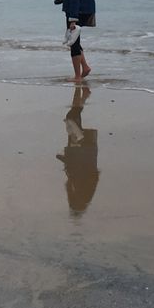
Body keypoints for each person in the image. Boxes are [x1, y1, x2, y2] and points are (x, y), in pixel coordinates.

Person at [55, 84, 99, 215]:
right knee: (71, 118)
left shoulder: (91, 181)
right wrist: (64, 159)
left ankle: (84, 95)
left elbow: (75, 166)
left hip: (89, 147)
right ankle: (84, 96)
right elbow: (73, 165)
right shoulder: (79, 180)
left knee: (74, 119)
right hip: (80, 146)